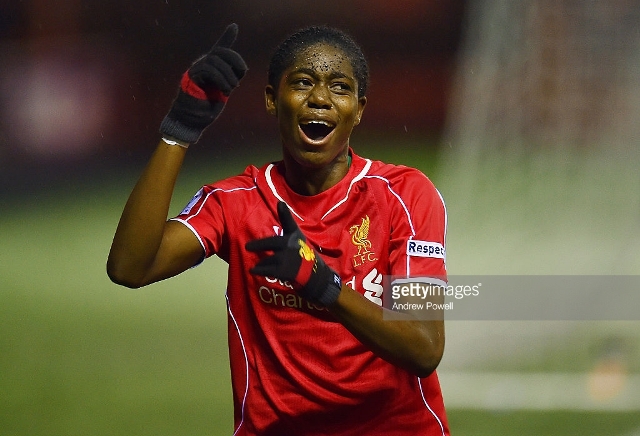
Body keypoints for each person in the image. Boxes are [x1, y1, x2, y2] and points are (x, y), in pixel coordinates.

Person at [108, 23, 450, 436]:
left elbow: (424, 347)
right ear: (272, 99)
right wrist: (178, 131)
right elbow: (129, 267)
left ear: (359, 109)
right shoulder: (236, 201)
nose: (320, 98)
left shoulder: (406, 196)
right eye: (303, 82)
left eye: (340, 87)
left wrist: (324, 285)